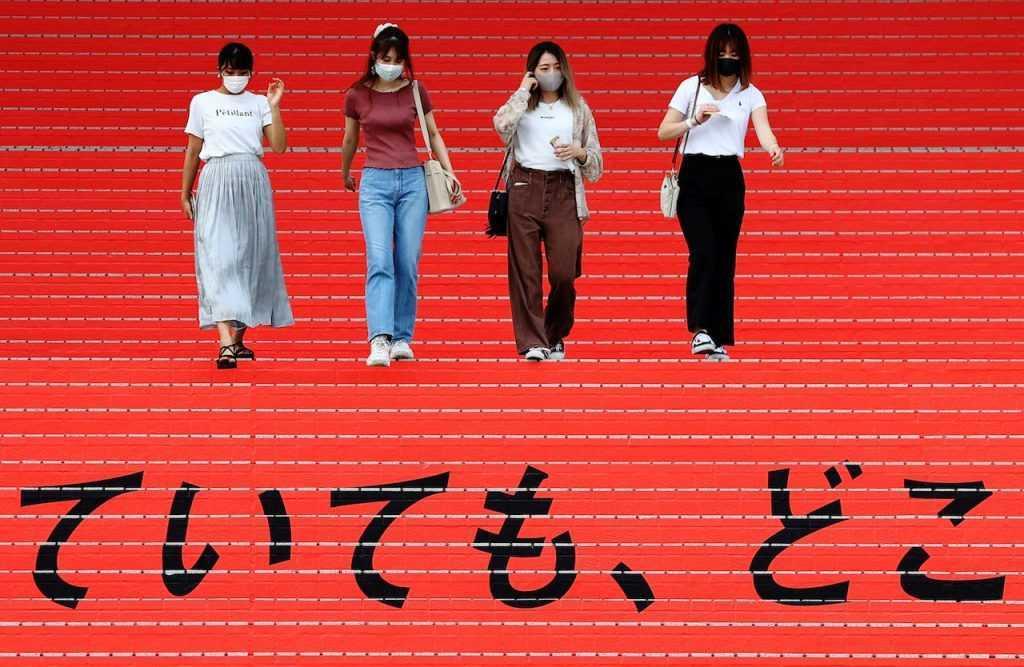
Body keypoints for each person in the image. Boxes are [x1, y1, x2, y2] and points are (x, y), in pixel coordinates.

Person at [657, 23, 784, 361]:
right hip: (695, 174)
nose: (728, 59)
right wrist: (692, 122)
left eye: (734, 53)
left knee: (725, 256)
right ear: (711, 54)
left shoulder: (751, 94)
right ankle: (699, 329)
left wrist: (774, 149)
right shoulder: (690, 88)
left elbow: (763, 129)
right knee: (703, 250)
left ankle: (718, 335)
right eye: (722, 52)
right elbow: (663, 131)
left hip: (729, 177)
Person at [341, 23, 462, 367]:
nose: (391, 64)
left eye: (397, 59)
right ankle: (379, 337)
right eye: (385, 57)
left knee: (407, 261)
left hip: (412, 182)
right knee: (379, 259)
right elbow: (350, 138)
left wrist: (449, 170)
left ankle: (401, 336)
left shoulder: (415, 91)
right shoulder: (357, 94)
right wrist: (345, 171)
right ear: (374, 57)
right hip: (375, 181)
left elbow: (434, 133)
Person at [182, 42, 293, 369]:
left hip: (252, 179)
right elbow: (192, 150)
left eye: (242, 73)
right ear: (219, 71)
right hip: (216, 177)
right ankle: (225, 342)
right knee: (217, 256)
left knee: (252, 257)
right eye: (230, 72)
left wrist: (274, 106)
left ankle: (238, 339)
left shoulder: (259, 103)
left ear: (251, 73)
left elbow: (280, 146)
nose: (236, 78)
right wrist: (185, 192)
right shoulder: (202, 102)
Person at [493, 41, 603, 362]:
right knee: (525, 270)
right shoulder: (523, 105)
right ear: (532, 72)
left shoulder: (578, 108)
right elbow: (500, 127)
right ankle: (532, 341)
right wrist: (521, 91)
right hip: (525, 185)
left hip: (564, 189)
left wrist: (579, 152)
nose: (551, 74)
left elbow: (597, 165)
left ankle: (554, 332)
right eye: (544, 68)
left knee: (564, 273)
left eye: (556, 67)